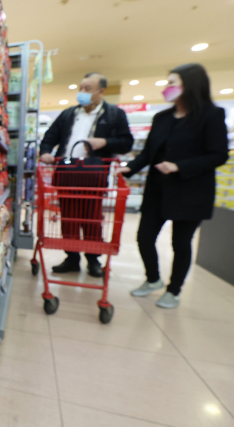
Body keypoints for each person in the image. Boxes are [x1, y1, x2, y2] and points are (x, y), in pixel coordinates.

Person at [117, 63, 229, 308]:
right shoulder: (162, 118)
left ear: (190, 85)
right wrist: (129, 168)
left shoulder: (211, 115)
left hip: (191, 191)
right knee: (144, 237)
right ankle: (153, 279)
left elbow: (218, 155)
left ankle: (173, 290)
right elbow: (148, 153)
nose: (166, 88)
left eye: (171, 83)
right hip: (157, 188)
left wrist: (180, 166)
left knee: (180, 243)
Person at [39, 72, 134, 277]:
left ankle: (93, 259)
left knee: (91, 217)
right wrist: (45, 152)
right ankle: (72, 258)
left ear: (101, 91)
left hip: (94, 174)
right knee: (69, 217)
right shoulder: (68, 114)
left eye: (87, 89)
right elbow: (50, 136)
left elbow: (127, 142)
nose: (82, 92)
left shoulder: (114, 115)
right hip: (66, 171)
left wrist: (105, 142)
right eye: (81, 88)